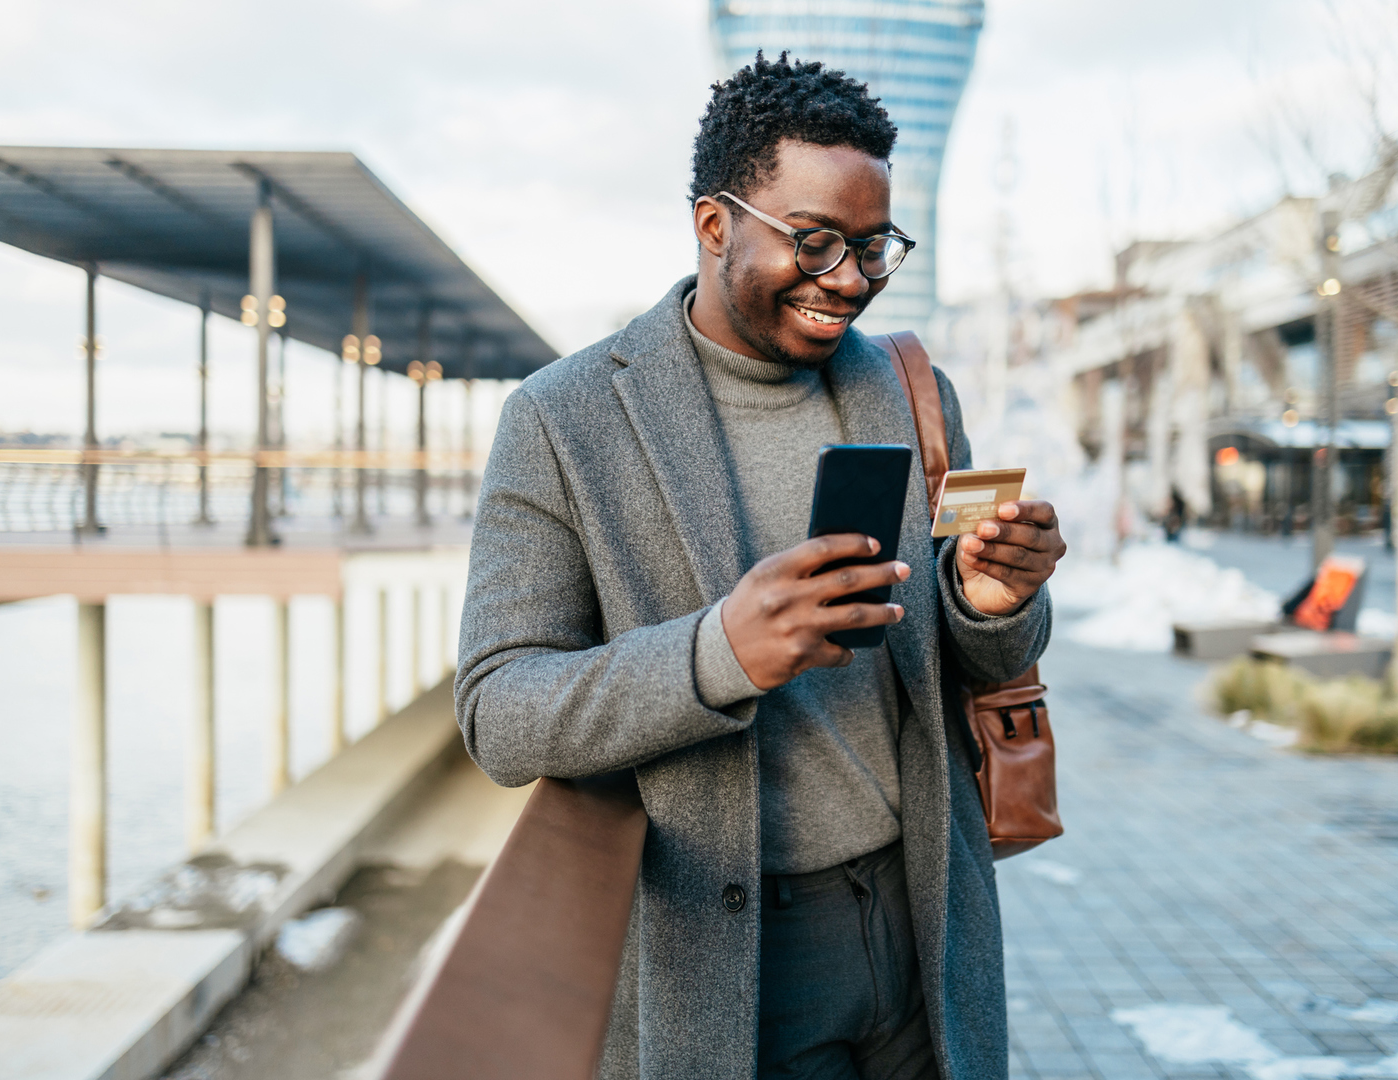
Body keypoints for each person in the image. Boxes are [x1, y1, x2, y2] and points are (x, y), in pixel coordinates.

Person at [456, 52, 1066, 1080]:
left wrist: (993, 600)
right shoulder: (562, 420)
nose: (849, 282)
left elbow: (968, 653)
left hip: (925, 921)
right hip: (730, 959)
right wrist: (717, 654)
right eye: (817, 241)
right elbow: (497, 711)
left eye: (876, 249)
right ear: (714, 225)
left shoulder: (913, 388)